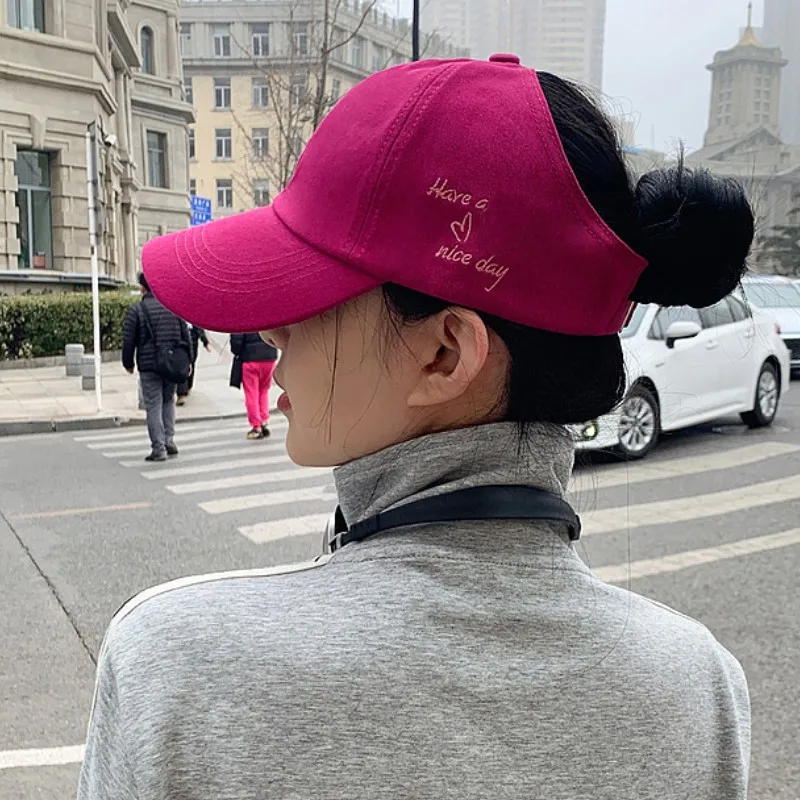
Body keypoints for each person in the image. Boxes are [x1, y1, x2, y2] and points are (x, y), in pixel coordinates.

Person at [81, 55, 753, 799]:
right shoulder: (701, 688)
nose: (273, 329)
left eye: (311, 292)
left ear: (444, 354)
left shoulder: (176, 663)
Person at [121, 272, 192, 462]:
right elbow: (186, 337)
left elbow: (129, 341)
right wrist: (189, 362)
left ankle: (158, 448)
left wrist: (128, 364)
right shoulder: (173, 308)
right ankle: (169, 439)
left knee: (153, 405)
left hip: (149, 365)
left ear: (143, 287)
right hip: (171, 365)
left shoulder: (137, 310)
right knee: (168, 400)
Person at [230, 332, 278, 439]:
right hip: (269, 358)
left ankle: (256, 426)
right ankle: (264, 419)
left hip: (250, 359)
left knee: (251, 393)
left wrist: (236, 350)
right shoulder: (267, 315)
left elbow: (236, 342)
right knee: (264, 390)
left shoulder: (241, 317)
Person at [176, 324, 211, 406]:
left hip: (192, 341)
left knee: (191, 364)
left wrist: (205, 341)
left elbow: (198, 327)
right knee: (182, 366)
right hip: (181, 342)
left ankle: (188, 387)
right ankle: (182, 392)